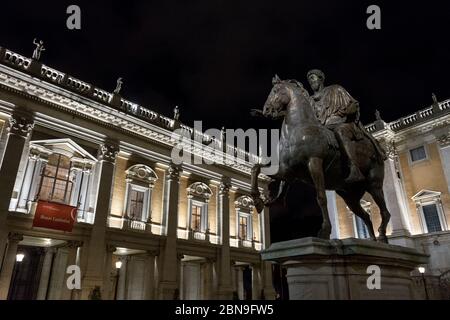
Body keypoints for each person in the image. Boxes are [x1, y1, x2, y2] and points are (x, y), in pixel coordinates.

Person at [307, 69, 385, 183]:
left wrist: (348, 111)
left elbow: (353, 104)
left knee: (339, 131)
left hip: (341, 124)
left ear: (320, 78)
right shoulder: (310, 101)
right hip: (323, 129)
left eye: (313, 78)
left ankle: (354, 168)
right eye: (309, 80)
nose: (311, 81)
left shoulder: (336, 89)